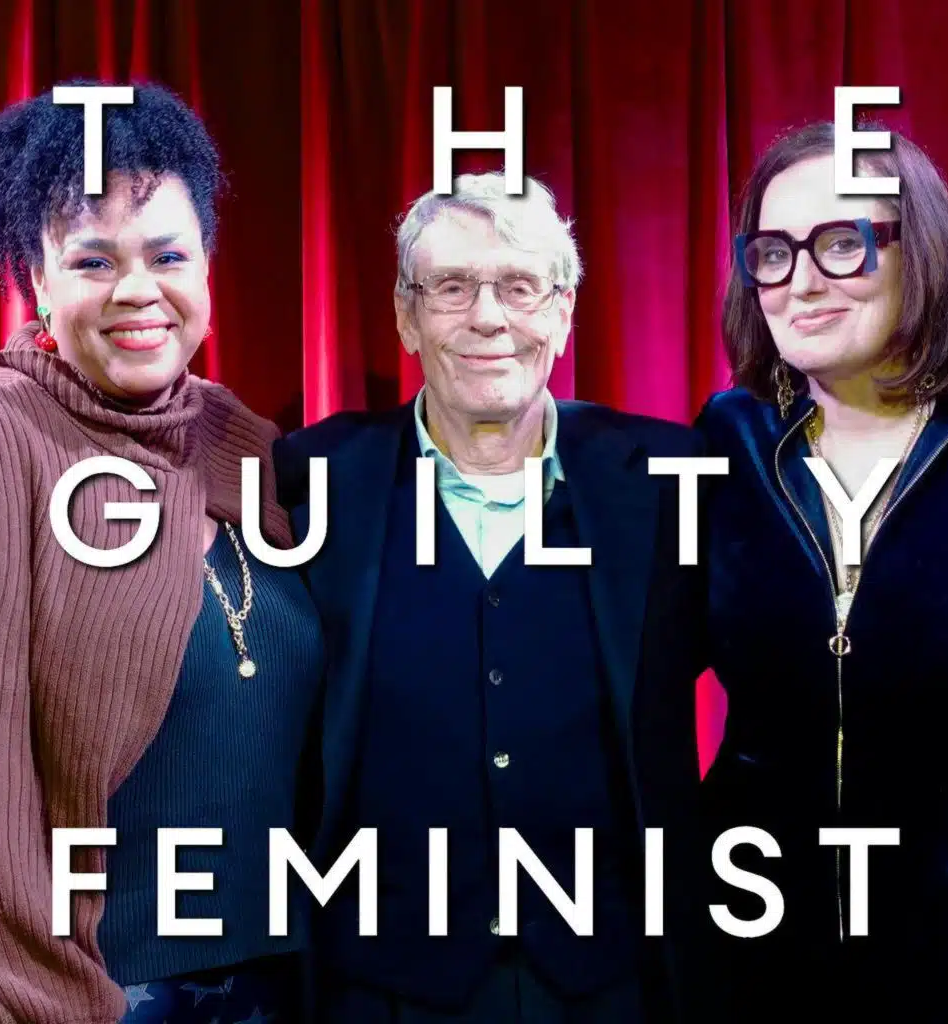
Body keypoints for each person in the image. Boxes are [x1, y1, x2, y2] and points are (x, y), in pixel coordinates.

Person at [274, 172, 710, 1023]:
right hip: (383, 987)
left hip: (615, 983)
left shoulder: (671, 480)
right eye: (451, 287)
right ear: (406, 317)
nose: (487, 318)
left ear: (563, 311)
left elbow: (802, 661)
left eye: (519, 286)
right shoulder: (310, 478)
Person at [0, 82, 323, 1023]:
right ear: (37, 280)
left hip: (277, 984)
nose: (137, 290)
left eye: (167, 255)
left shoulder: (239, 442)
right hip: (91, 996)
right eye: (93, 260)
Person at [697, 121, 948, 1020]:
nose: (801, 281)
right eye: (772, 253)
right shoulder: (727, 441)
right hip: (752, 936)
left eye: (840, 243)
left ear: (918, 253)